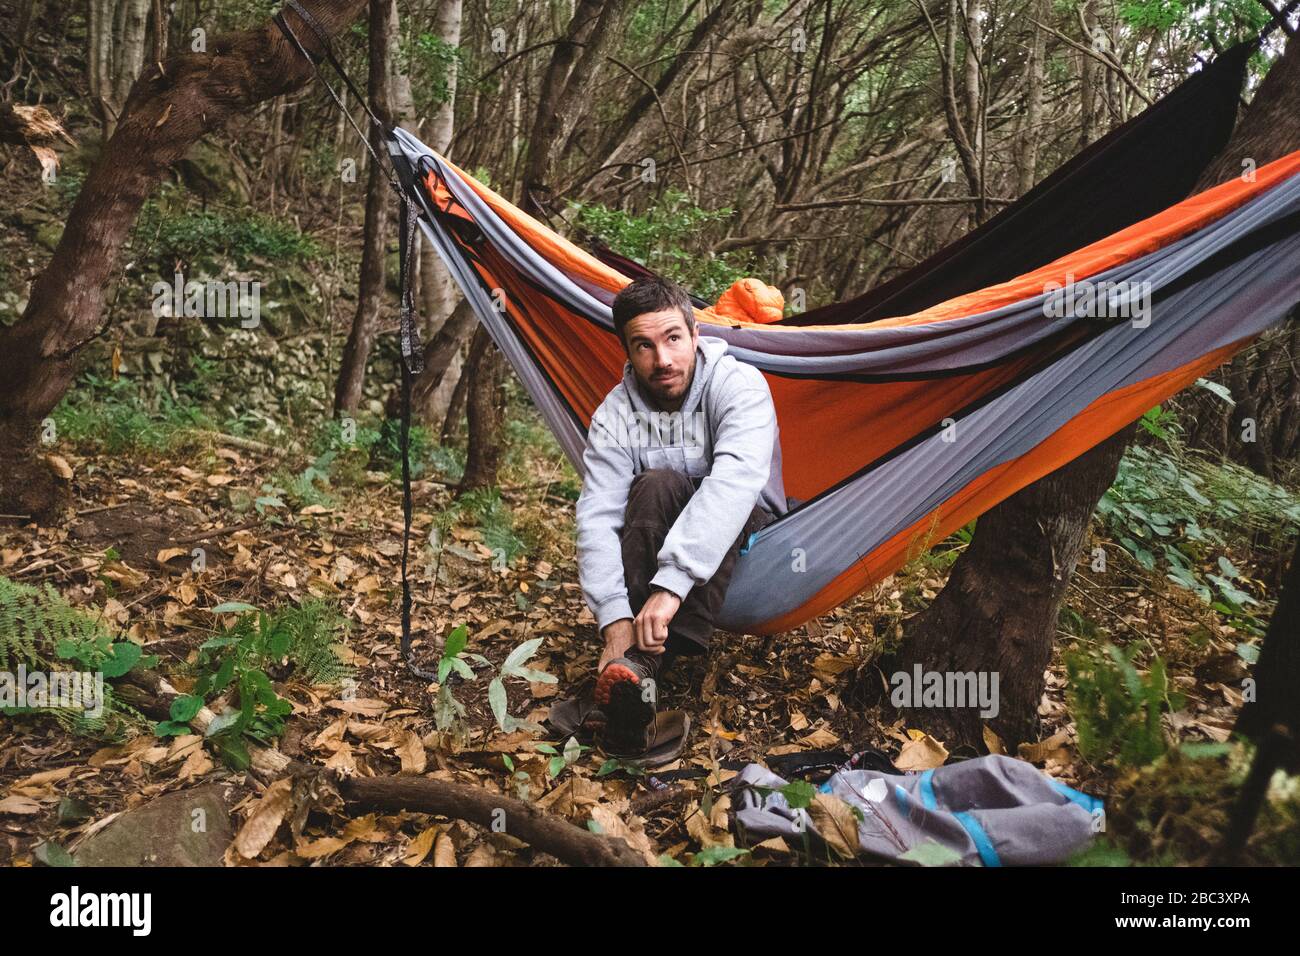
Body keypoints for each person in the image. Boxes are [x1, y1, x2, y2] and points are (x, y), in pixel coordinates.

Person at [575, 276, 788, 753]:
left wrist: (670, 586)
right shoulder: (614, 414)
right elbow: (597, 515)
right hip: (666, 523)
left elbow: (733, 482)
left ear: (695, 334)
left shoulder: (738, 384)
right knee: (655, 483)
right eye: (644, 346)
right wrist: (612, 619)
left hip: (755, 532)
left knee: (719, 493)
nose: (663, 359)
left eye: (673, 338)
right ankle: (630, 665)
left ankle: (644, 664)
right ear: (627, 352)